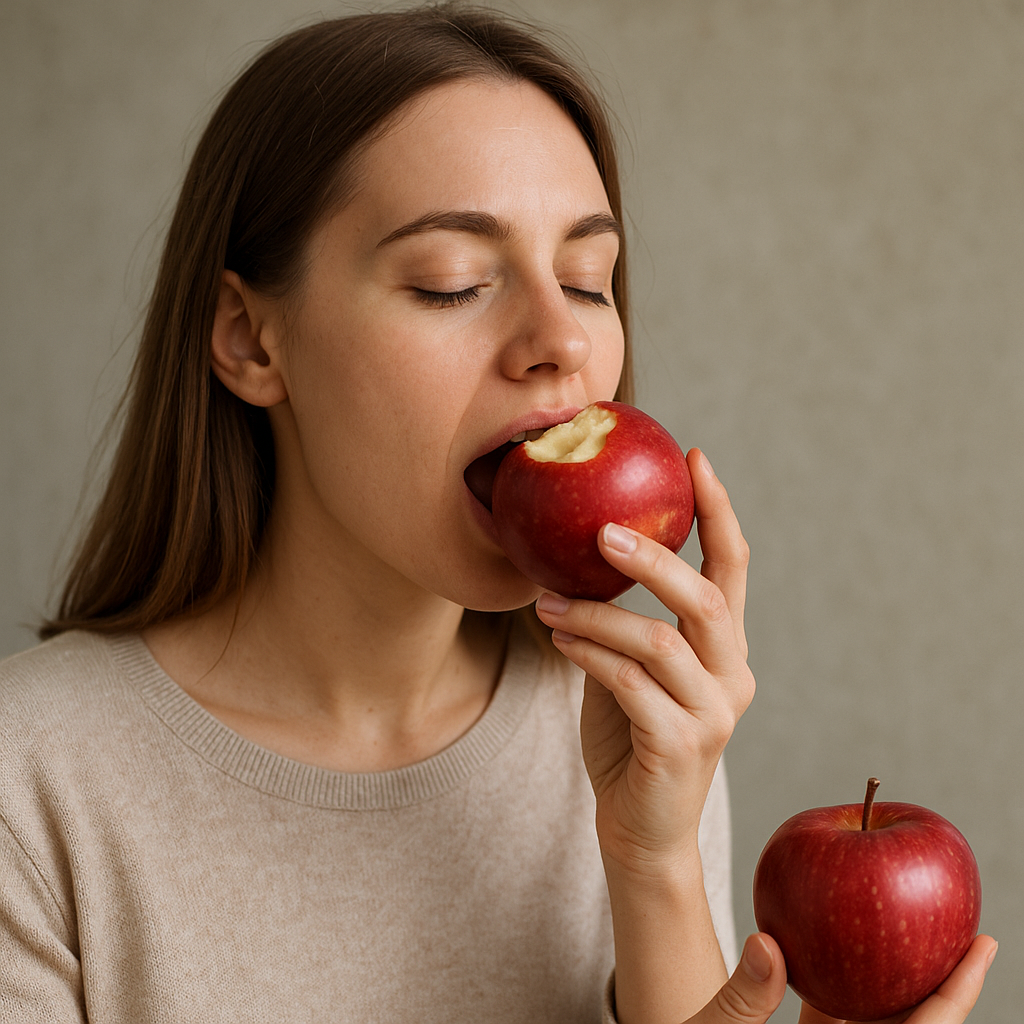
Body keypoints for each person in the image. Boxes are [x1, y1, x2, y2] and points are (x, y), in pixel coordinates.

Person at [0, 5, 995, 1023]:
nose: (559, 339)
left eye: (585, 279)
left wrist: (651, 855)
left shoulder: (633, 729)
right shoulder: (31, 783)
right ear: (253, 341)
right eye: (453, 283)